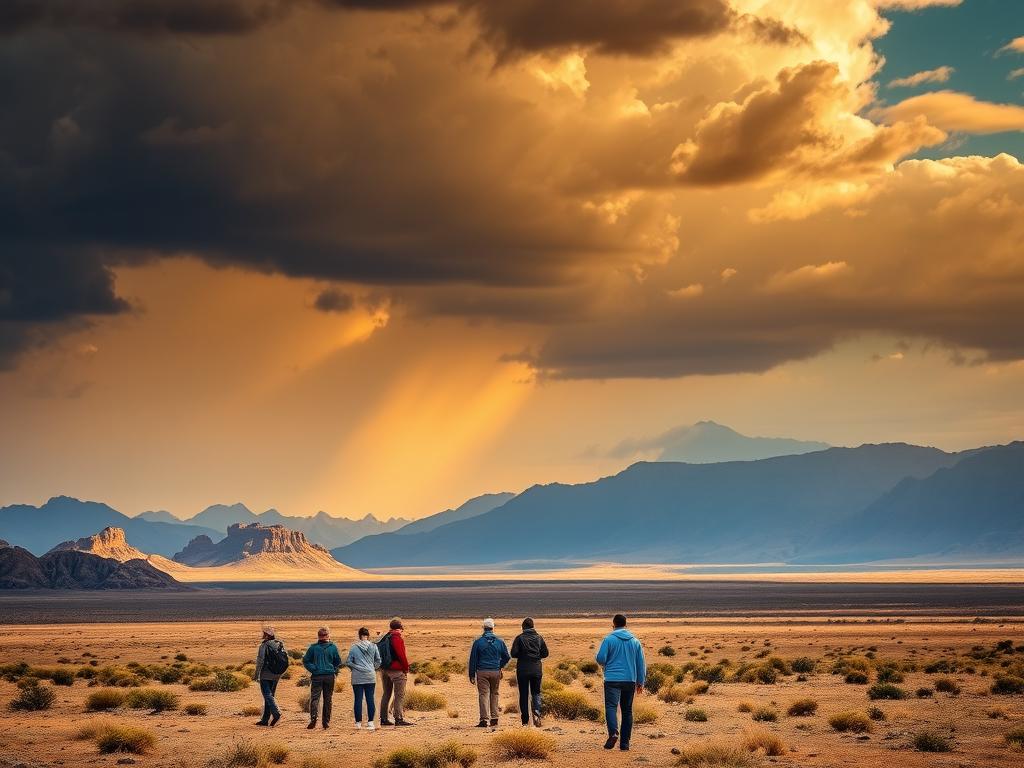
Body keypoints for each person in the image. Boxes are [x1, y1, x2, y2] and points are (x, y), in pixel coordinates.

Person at [595, 614, 646, 752]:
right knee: (627, 710)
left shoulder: (609, 639)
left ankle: (613, 733)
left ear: (613, 624)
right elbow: (641, 663)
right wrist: (640, 681)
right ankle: (625, 744)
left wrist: (601, 660)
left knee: (611, 707)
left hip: (612, 679)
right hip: (630, 680)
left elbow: (600, 658)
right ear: (625, 625)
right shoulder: (635, 641)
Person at [468, 617, 511, 728]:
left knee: (483, 695)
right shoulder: (500, 641)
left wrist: (472, 674)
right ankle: (494, 719)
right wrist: (499, 666)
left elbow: (473, 659)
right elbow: (507, 657)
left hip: (482, 672)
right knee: (494, 694)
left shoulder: (477, 642)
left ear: (483, 628)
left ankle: (484, 720)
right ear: (492, 628)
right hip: (495, 671)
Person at [510, 617, 549, 727]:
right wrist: (536, 656)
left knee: (524, 694)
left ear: (523, 627)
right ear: (532, 627)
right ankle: (537, 713)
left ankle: (525, 721)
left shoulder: (519, 638)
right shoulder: (539, 638)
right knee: (536, 693)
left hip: (523, 669)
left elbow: (513, 653)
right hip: (536, 669)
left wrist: (523, 655)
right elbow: (545, 653)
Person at [303, 626, 342, 730]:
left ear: (319, 636)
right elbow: (338, 661)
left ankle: (313, 719)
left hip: (317, 676)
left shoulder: (313, 648)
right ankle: (326, 722)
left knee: (315, 698)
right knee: (328, 699)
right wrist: (332, 668)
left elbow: (306, 660)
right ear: (328, 636)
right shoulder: (333, 647)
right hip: (329, 676)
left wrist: (313, 669)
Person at [344, 627, 381, 730]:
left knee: (358, 699)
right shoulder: (373, 646)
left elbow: (348, 662)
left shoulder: (354, 647)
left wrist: (355, 668)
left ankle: (358, 723)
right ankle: (370, 723)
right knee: (370, 699)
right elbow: (378, 660)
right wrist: (372, 668)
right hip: (370, 676)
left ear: (359, 636)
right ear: (368, 635)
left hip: (357, 677)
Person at [378, 617, 413, 726]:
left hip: (384, 669)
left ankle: (383, 718)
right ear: (400, 628)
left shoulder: (385, 637)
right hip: (396, 670)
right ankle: (398, 718)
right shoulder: (397, 638)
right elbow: (401, 656)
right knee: (399, 695)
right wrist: (405, 668)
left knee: (386, 693)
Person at [253, 625, 284, 727]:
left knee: (267, 694)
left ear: (266, 636)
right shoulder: (279, 643)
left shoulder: (264, 646)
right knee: (270, 696)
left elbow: (260, 661)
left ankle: (276, 713)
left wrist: (256, 674)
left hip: (266, 674)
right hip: (276, 674)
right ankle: (265, 720)